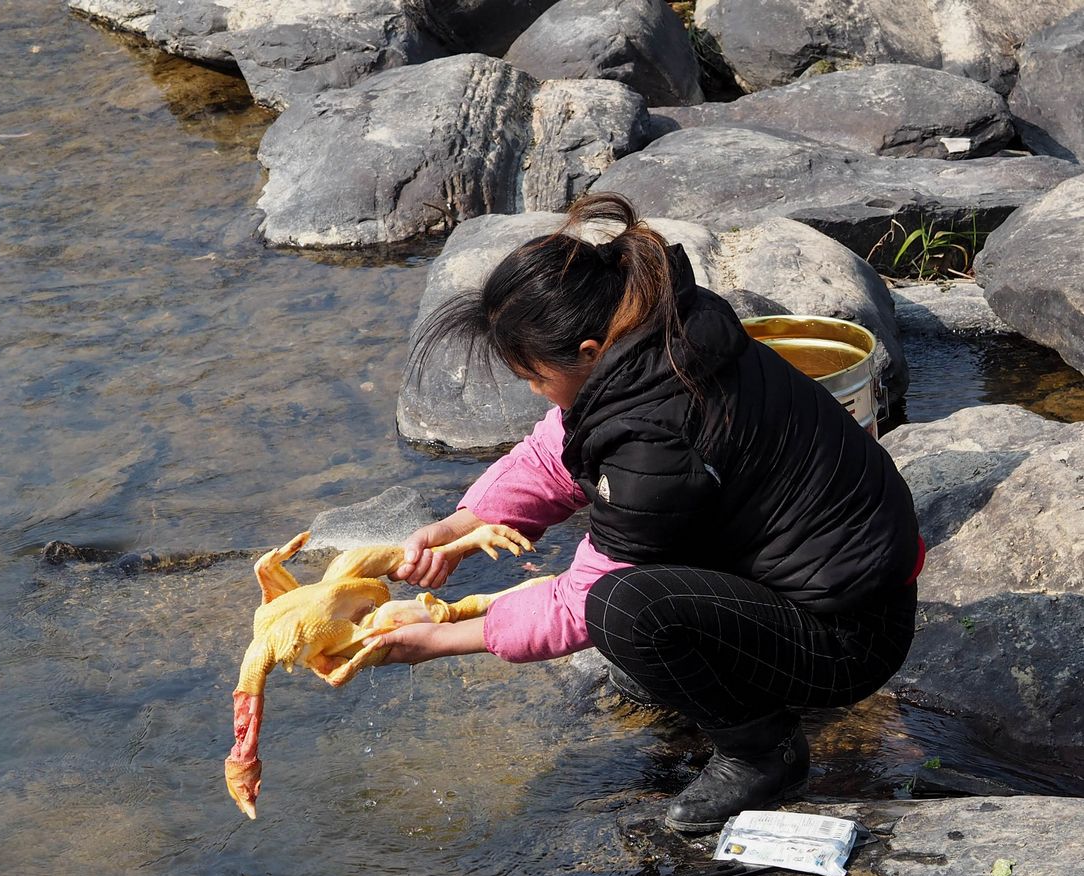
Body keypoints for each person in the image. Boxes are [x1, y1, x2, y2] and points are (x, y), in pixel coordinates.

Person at [363, 192, 923, 834]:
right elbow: (556, 452)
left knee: (622, 609)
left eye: (534, 376)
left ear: (589, 349)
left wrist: (442, 638)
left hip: (851, 636)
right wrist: (462, 526)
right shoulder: (662, 337)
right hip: (830, 579)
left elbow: (581, 599)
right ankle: (731, 685)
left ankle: (762, 755)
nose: (534, 390)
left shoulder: (656, 436)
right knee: (635, 619)